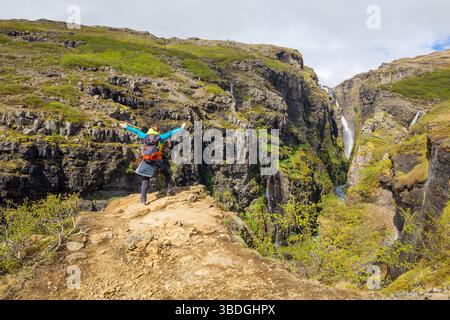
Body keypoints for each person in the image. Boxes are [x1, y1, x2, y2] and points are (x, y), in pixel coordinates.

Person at [120, 122, 186, 205]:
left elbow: (136, 131)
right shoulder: (160, 137)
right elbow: (171, 132)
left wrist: (126, 126)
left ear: (150, 129)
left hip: (147, 160)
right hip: (157, 160)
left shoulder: (145, 136)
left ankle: (143, 200)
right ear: (158, 131)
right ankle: (169, 191)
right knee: (168, 173)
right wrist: (181, 128)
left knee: (145, 180)